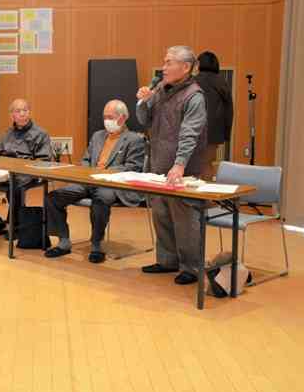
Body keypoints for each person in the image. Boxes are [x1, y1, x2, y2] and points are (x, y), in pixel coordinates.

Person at [137, 45, 208, 285]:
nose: (163, 67)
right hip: (158, 163)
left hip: (183, 169)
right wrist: (143, 102)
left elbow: (190, 134)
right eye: (164, 62)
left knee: (184, 217)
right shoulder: (160, 89)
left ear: (186, 67)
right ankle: (167, 260)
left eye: (169, 62)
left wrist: (179, 165)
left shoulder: (194, 96)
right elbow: (143, 121)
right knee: (161, 213)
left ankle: (190, 267)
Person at [44, 100, 145, 263]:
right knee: (53, 197)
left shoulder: (134, 140)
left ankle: (96, 243)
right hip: (88, 181)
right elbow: (86, 160)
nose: (107, 120)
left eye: (110, 117)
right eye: (105, 117)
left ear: (123, 118)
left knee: (102, 199)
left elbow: (133, 168)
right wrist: (86, 173)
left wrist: (104, 174)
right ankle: (63, 241)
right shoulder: (97, 136)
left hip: (112, 184)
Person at [0, 98, 53, 236]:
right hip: (4, 172)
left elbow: (44, 160)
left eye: (25, 110)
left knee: (15, 187)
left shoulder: (40, 134)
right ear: (12, 115)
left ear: (29, 113)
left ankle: (15, 225)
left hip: (25, 174)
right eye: (18, 111)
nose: (22, 114)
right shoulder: (7, 133)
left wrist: (19, 161)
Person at [194, 51, 233, 181]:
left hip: (194, 130)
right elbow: (229, 110)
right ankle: (207, 197)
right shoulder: (222, 82)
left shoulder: (193, 81)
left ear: (198, 64)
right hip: (214, 132)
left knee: (193, 166)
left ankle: (194, 199)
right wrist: (226, 134)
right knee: (207, 163)